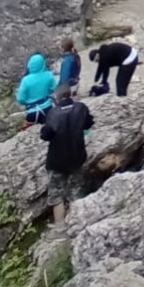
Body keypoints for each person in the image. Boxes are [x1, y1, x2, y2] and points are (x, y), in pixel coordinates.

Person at [40, 83, 94, 224]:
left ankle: (60, 227)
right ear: (70, 94)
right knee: (76, 191)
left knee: (56, 194)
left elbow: (45, 135)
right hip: (77, 157)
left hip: (57, 161)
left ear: (57, 98)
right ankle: (77, 222)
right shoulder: (81, 108)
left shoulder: (53, 113)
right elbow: (88, 124)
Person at [16, 53, 58, 127]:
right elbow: (55, 89)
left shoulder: (25, 80)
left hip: (32, 113)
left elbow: (20, 98)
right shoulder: (49, 75)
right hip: (48, 109)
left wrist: (26, 102)